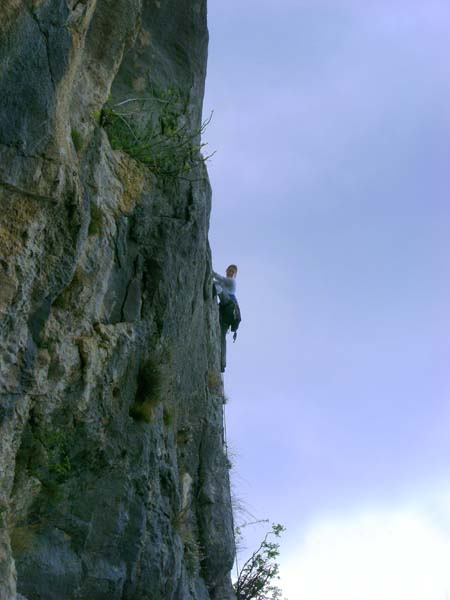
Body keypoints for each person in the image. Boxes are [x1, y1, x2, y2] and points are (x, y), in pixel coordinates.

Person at [213, 265, 238, 373]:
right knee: (222, 338)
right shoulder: (224, 283)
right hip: (225, 313)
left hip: (228, 305)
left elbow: (219, 279)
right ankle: (222, 364)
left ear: (234, 275)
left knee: (217, 288)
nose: (230, 273)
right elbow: (216, 282)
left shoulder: (231, 282)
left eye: (233, 272)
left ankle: (222, 363)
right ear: (227, 271)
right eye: (229, 271)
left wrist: (211, 271)